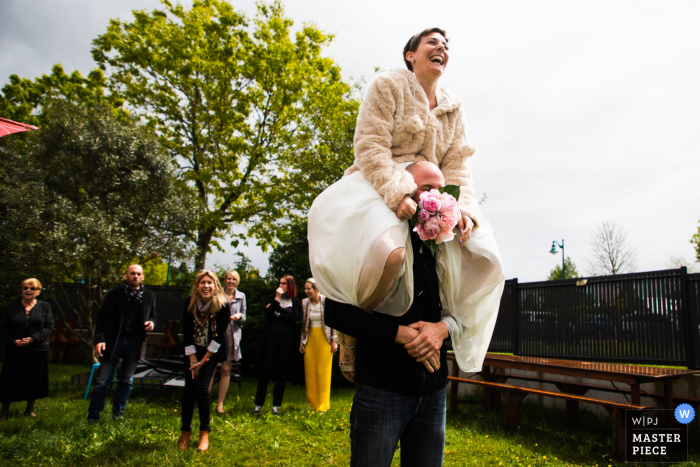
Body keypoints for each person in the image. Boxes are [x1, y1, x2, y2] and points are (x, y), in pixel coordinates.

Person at [309, 28, 505, 467]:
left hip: (438, 198)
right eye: (432, 41)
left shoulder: (453, 108)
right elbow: (371, 145)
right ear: (410, 54)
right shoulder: (387, 86)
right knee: (392, 254)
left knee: (485, 252)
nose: (442, 47)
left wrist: (462, 209)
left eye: (447, 43)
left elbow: (459, 165)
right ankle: (355, 337)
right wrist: (402, 194)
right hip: (383, 186)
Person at [87, 264, 156, 422]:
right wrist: (99, 340)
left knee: (126, 381)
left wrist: (152, 323)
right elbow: (102, 319)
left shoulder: (149, 295)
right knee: (102, 381)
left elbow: (153, 316)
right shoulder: (114, 295)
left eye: (138, 274)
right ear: (126, 275)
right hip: (113, 342)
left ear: (143, 277)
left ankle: (118, 415)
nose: (135, 276)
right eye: (132, 274)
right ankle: (93, 417)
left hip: (135, 342)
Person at [178, 270, 230, 451]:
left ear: (215, 286)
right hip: (192, 352)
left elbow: (219, 336)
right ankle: (185, 433)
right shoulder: (189, 303)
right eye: (203, 283)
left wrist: (203, 361)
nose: (206, 286)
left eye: (210, 283)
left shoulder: (222, 305)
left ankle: (204, 434)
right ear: (197, 286)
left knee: (202, 389)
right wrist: (193, 359)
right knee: (189, 391)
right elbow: (186, 332)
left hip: (211, 353)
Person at [0, 278, 54, 420]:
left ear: (38, 291)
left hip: (37, 350)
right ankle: (4, 411)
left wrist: (33, 339)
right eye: (25, 288)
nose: (28, 290)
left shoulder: (44, 306)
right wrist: (12, 341)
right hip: (15, 350)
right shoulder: (12, 307)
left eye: (32, 288)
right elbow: (3, 328)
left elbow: (49, 326)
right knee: (9, 380)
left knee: (34, 380)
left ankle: (29, 409)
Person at [253, 275, 300, 416]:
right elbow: (268, 313)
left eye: (284, 283)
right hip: (270, 340)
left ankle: (276, 406)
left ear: (290, 285)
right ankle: (258, 404)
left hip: (286, 341)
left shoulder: (295, 301)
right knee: (265, 371)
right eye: (279, 283)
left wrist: (278, 313)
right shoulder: (273, 299)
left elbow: (294, 318)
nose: (281, 286)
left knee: (281, 372)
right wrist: (276, 299)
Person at [209, 270, 246, 414]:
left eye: (234, 279)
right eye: (229, 278)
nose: (231, 281)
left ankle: (220, 404)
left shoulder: (241, 296)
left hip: (232, 334)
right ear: (224, 280)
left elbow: (244, 316)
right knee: (211, 367)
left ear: (237, 281)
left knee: (225, 369)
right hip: (217, 332)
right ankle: (204, 399)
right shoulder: (217, 293)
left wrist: (239, 316)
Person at [298, 278, 337, 412]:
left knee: (323, 371)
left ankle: (323, 405)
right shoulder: (304, 303)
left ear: (316, 289)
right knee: (310, 371)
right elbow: (303, 324)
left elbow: (333, 322)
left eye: (309, 288)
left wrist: (334, 340)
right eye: (305, 288)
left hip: (324, 338)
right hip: (310, 338)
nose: (306, 291)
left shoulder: (326, 301)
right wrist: (302, 342)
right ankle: (311, 404)